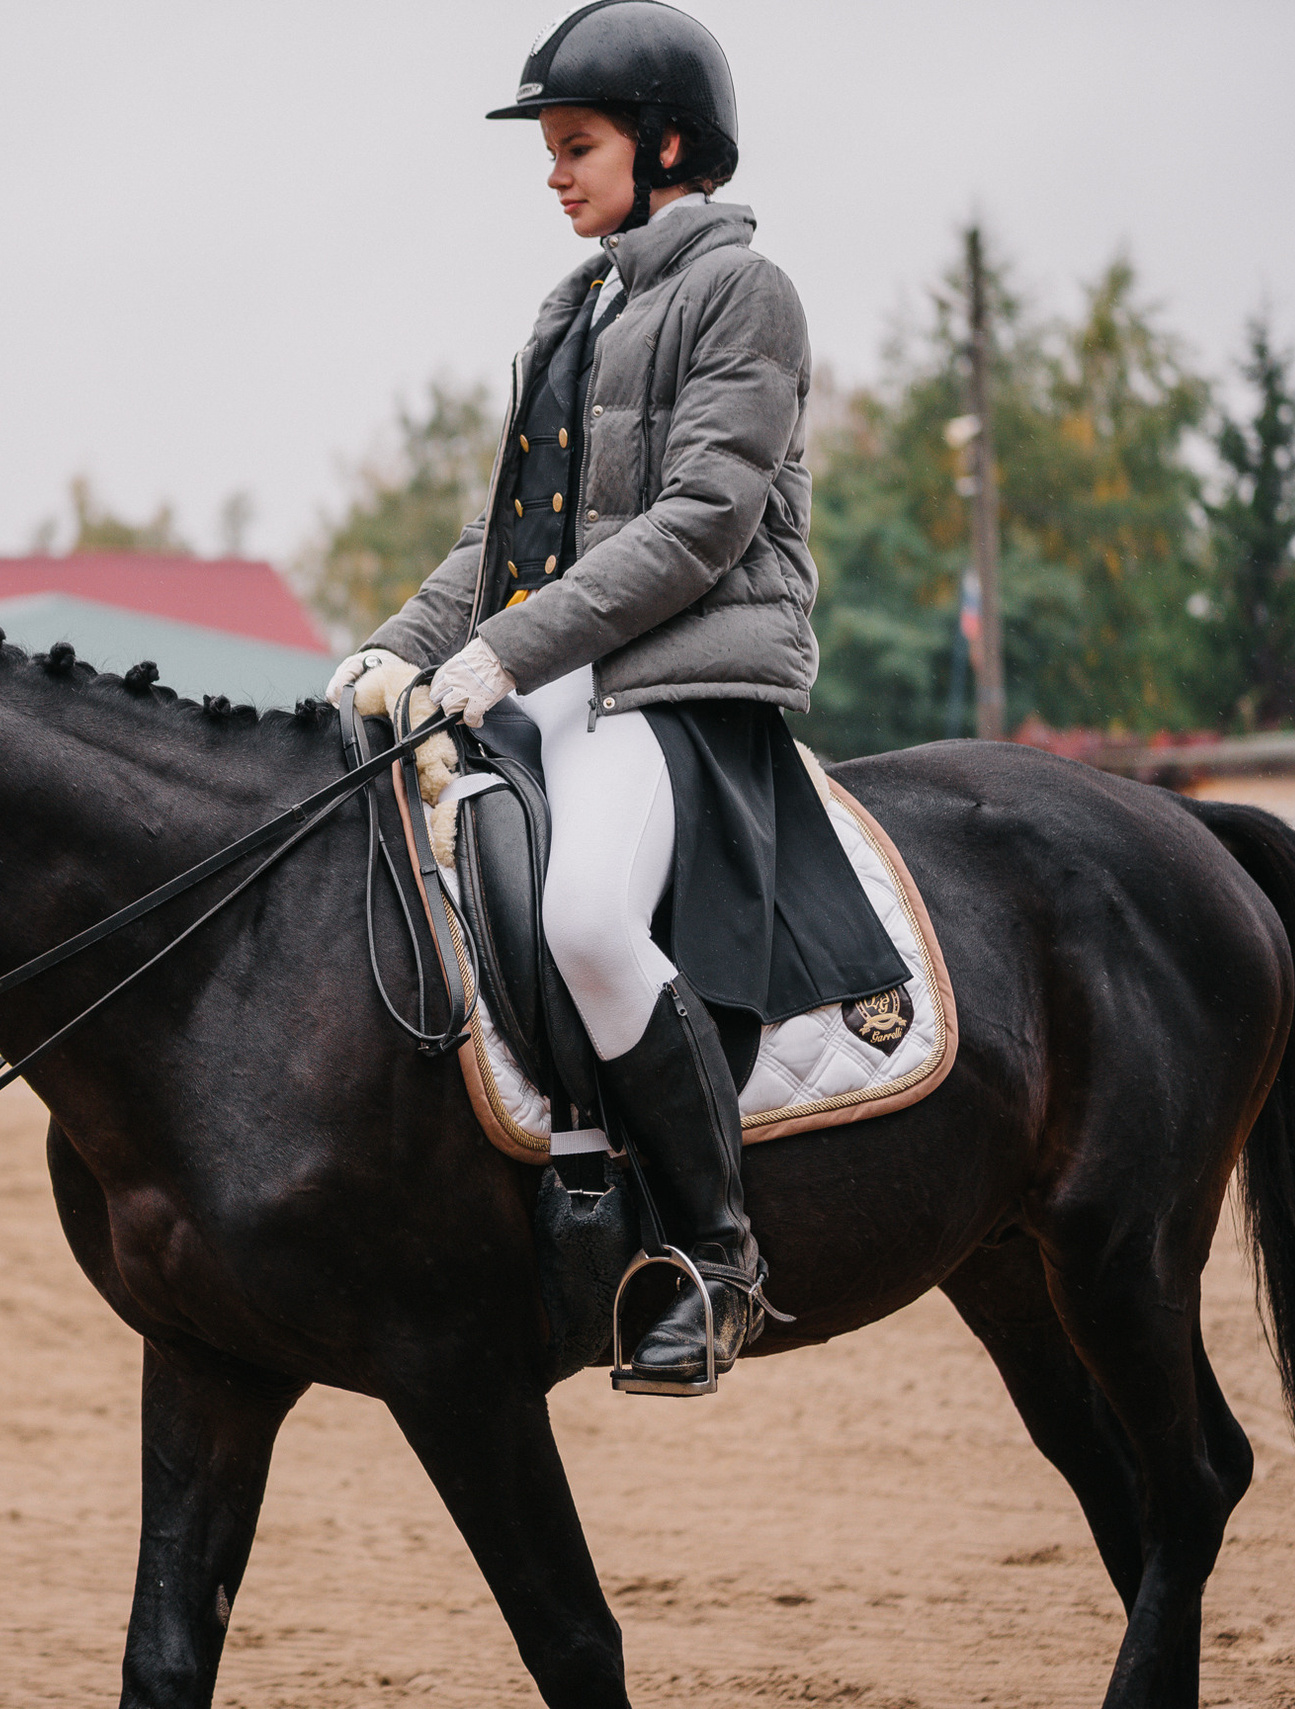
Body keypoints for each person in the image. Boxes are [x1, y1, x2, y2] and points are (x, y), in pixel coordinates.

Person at [329, 1, 906, 1394]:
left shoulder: (741, 294)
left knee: (586, 909)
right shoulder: (573, 308)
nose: (552, 171)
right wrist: (396, 647)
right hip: (570, 681)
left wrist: (511, 656)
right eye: (549, 147)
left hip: (688, 680)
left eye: (575, 143)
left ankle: (717, 1261)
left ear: (664, 145)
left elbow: (707, 519)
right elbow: (509, 542)